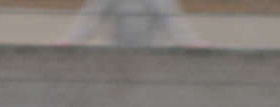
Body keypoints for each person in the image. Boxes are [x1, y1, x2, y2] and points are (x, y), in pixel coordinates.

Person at [61, 0, 203, 47]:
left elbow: (174, 23)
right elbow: (89, 20)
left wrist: (192, 44)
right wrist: (70, 43)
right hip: (118, 56)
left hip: (153, 56)